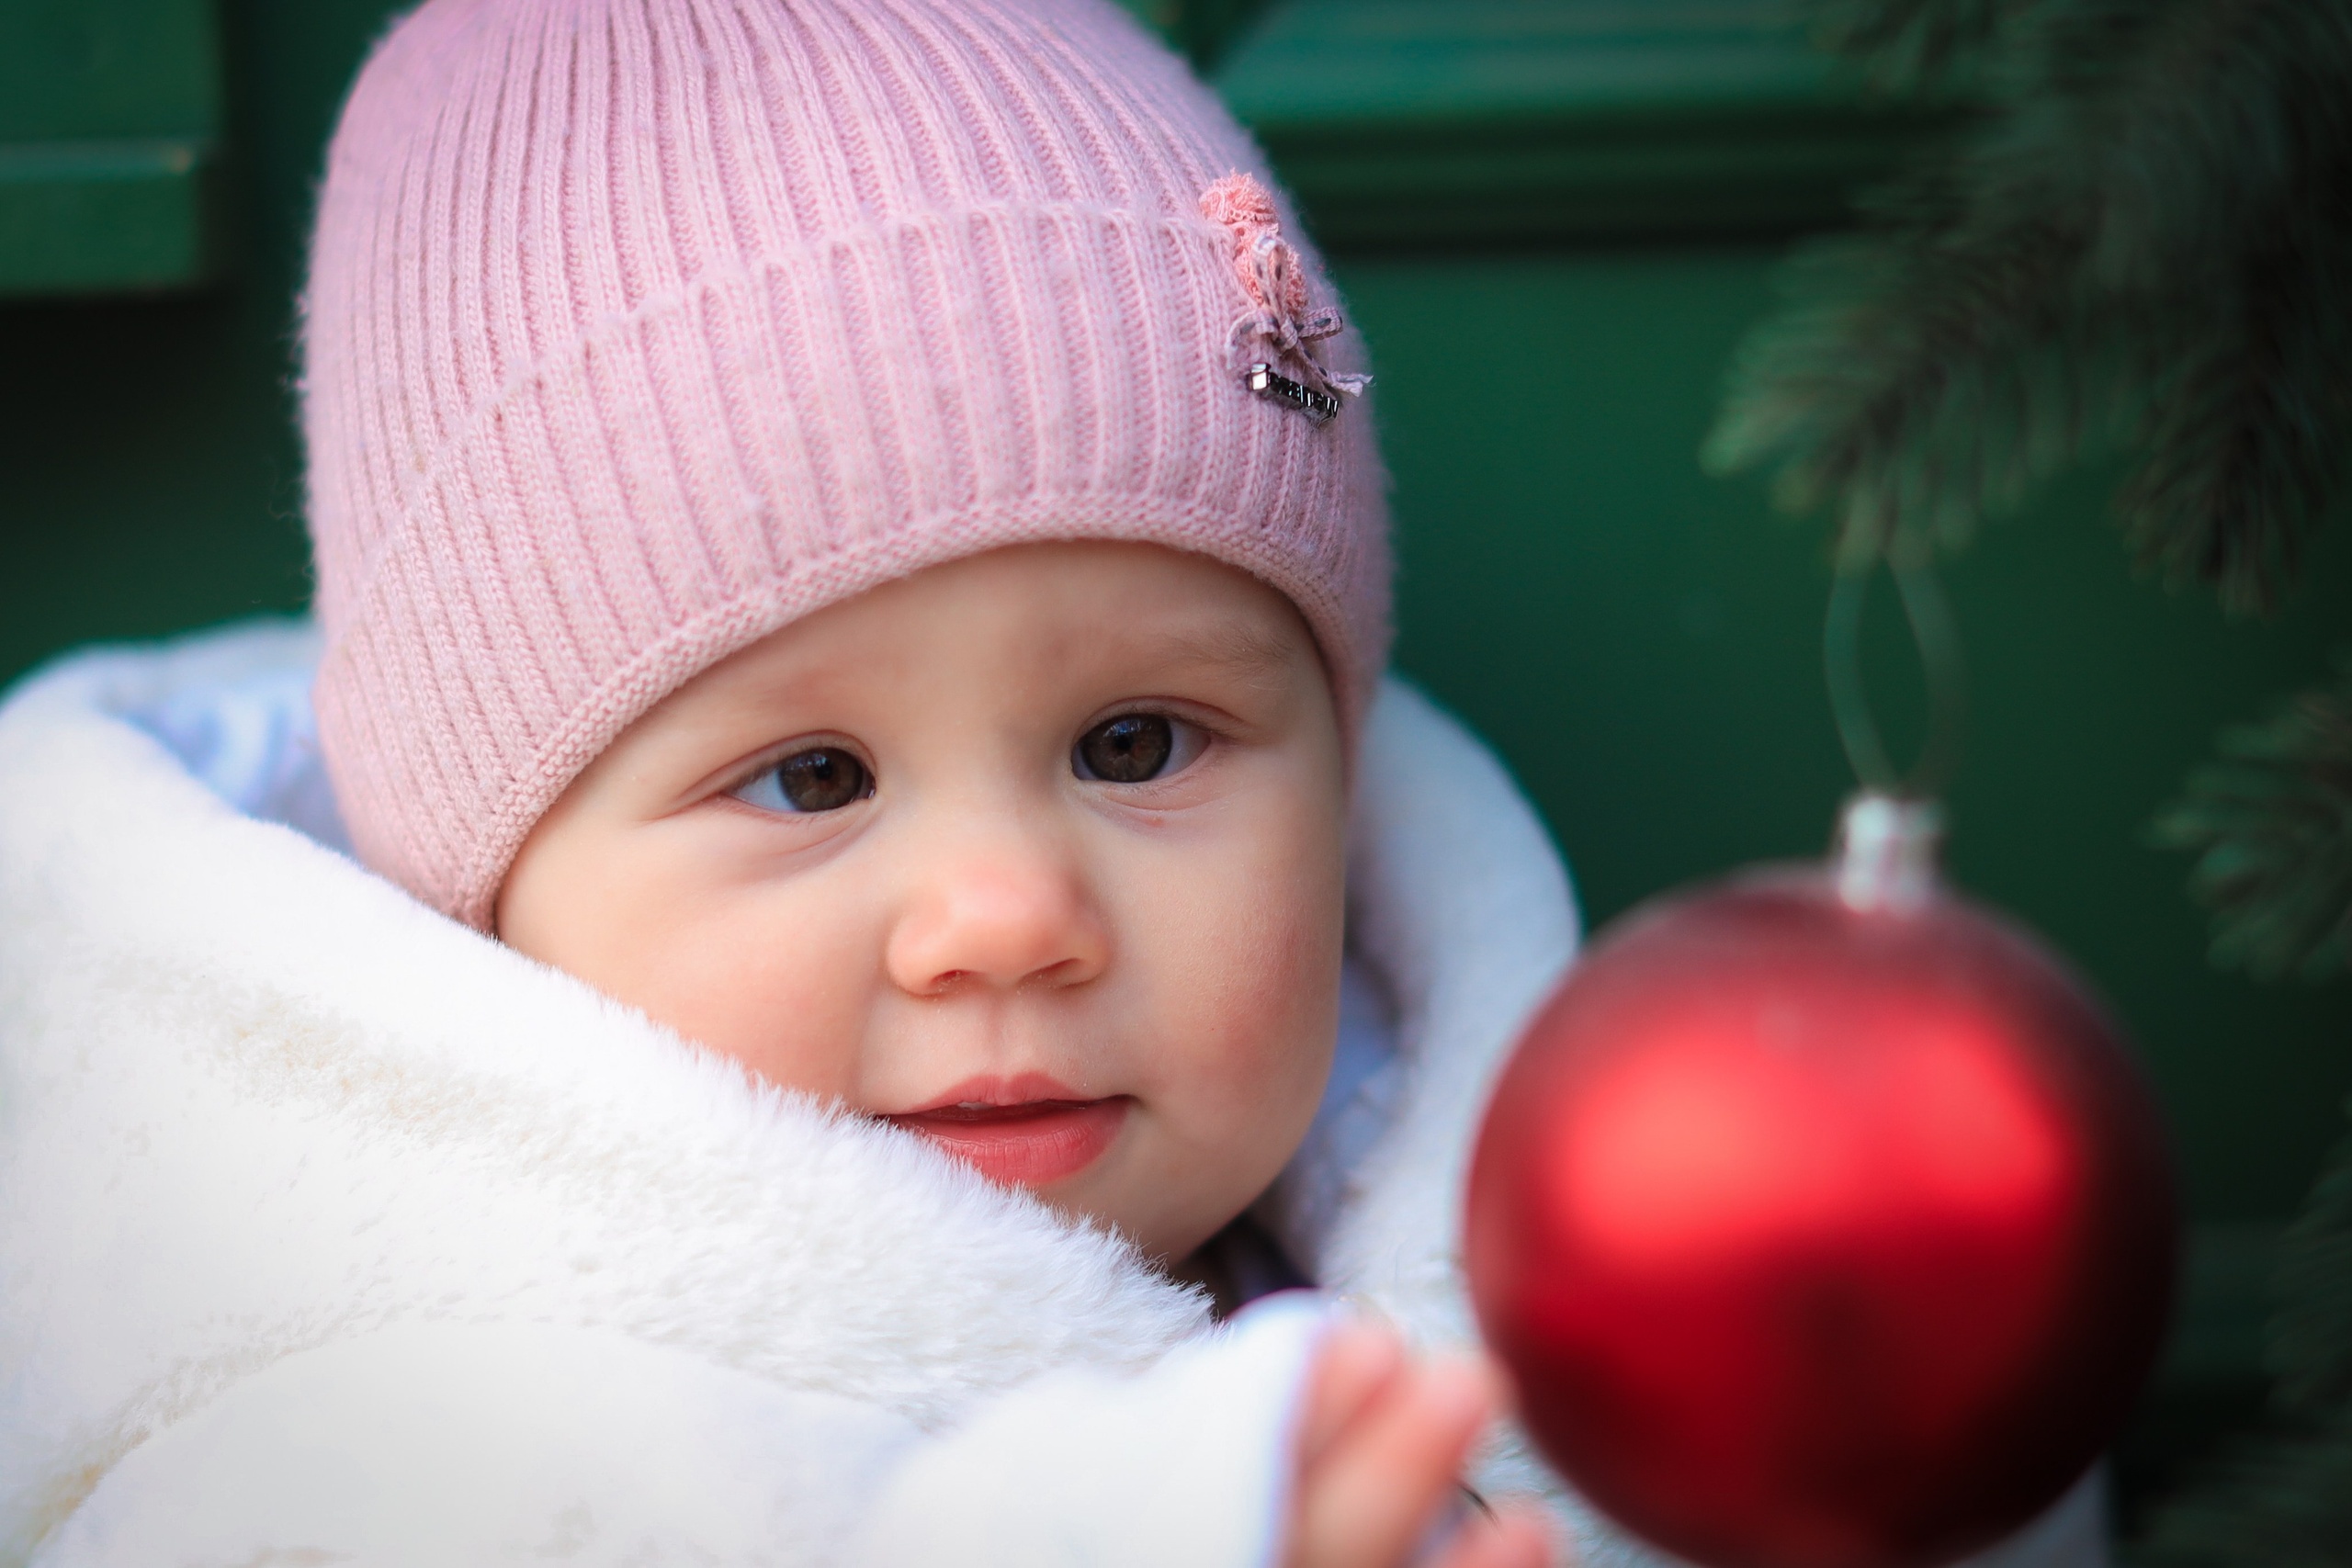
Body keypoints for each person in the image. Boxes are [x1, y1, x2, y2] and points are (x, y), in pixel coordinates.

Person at [0, 2, 2111, 1564]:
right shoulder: (359, 1404)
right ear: (462, 885)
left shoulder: (1535, 1249)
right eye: (808, 773)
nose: (1008, 911)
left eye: (1135, 742)